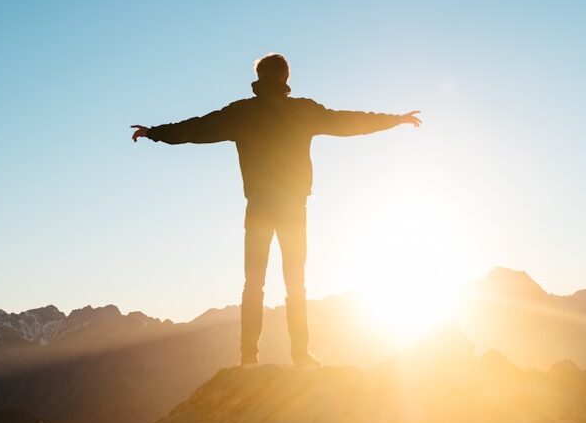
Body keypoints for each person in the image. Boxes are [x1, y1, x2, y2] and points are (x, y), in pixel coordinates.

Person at [131, 53, 421, 367]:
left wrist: (154, 132)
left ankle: (248, 356)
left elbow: (197, 128)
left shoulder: (242, 112)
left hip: (259, 206)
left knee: (254, 281)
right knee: (295, 280)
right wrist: (395, 119)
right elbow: (349, 121)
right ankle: (301, 355)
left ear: (259, 77)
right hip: (294, 206)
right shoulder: (303, 111)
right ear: (285, 77)